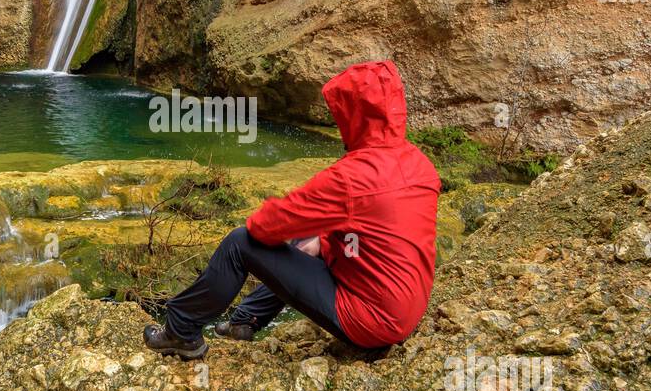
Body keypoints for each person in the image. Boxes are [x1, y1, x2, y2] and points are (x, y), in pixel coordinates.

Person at [143, 60, 440, 359]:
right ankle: (244, 321)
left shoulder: (352, 177)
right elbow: (378, 232)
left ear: (355, 116)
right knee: (312, 237)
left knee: (240, 242)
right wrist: (321, 241)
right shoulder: (420, 164)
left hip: (371, 321)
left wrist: (303, 232)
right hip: (406, 307)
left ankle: (180, 332)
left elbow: (265, 227)